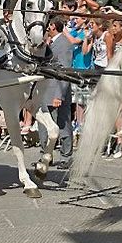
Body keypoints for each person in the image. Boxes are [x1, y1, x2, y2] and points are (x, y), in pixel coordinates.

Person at [38, 18, 74, 159]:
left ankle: (66, 155)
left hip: (57, 90)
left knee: (62, 123)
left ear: (53, 26)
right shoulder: (47, 42)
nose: (47, 28)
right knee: (44, 124)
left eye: (49, 25)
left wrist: (59, 95)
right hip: (44, 89)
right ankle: (46, 154)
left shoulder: (64, 44)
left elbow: (64, 70)